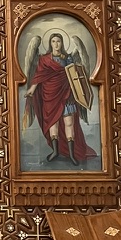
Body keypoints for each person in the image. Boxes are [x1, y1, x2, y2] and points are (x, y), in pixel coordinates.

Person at [23, 33, 96, 166]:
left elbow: (76, 74)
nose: (56, 44)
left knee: (69, 123)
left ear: (62, 43)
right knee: (53, 124)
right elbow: (39, 76)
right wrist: (32, 89)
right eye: (53, 41)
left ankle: (72, 154)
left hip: (67, 94)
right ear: (50, 44)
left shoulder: (68, 59)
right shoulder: (44, 59)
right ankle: (55, 151)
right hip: (50, 96)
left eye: (58, 41)